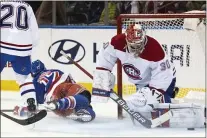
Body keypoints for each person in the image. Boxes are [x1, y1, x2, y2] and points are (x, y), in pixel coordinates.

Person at [92, 24, 177, 126]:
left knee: (156, 107)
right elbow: (106, 56)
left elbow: (163, 76)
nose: (136, 48)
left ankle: (171, 102)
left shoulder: (155, 49)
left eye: (139, 44)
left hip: (165, 80)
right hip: (141, 83)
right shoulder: (117, 42)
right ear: (126, 40)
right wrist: (103, 75)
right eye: (133, 45)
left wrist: (153, 94)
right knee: (141, 107)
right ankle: (167, 99)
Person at [13, 60, 96, 123]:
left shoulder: (35, 81)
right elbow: (70, 80)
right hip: (64, 88)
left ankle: (63, 105)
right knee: (84, 98)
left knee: (82, 106)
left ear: (32, 73)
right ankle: (80, 106)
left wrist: (23, 110)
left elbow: (37, 101)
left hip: (53, 99)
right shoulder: (55, 71)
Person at [1, 1, 39, 103]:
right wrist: (31, 46)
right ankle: (30, 103)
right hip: (22, 48)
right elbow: (34, 31)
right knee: (24, 78)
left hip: (2, 45)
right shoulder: (27, 6)